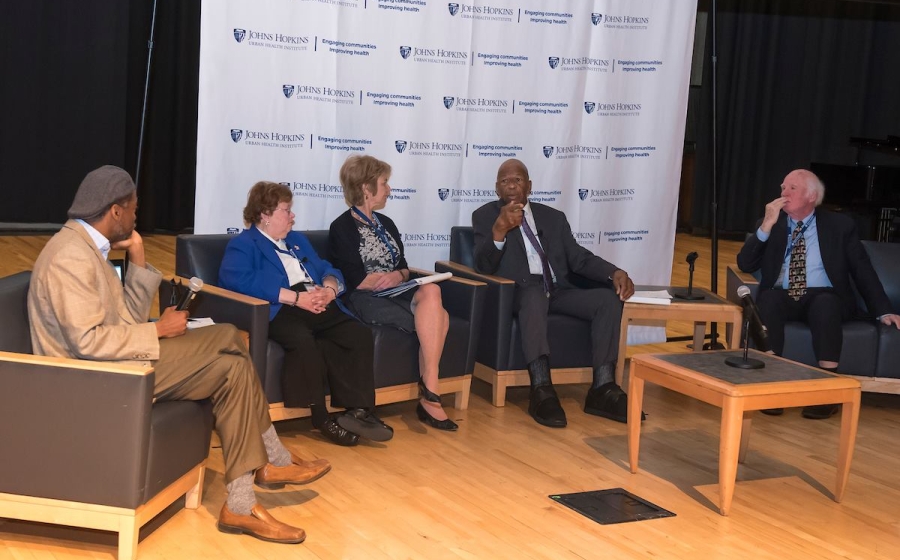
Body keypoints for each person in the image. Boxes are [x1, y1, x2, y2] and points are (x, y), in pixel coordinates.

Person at [28, 165, 331, 544]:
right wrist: (158, 329)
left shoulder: (89, 248)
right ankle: (271, 457)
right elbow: (87, 344)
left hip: (117, 365)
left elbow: (127, 319)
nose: (138, 216)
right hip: (98, 381)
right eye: (134, 209)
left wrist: (137, 251)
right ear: (115, 211)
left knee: (231, 366)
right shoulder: (70, 257)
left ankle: (241, 501)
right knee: (228, 339)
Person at [218, 181, 393, 446]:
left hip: (315, 301)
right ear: (265, 214)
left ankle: (360, 412)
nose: (292, 216)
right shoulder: (244, 244)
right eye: (286, 211)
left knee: (356, 333)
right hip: (280, 309)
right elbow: (239, 280)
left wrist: (330, 290)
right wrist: (296, 298)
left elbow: (326, 267)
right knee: (302, 340)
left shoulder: (296, 240)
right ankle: (321, 418)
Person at [472, 158, 638, 427]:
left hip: (558, 290)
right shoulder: (485, 216)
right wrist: (499, 230)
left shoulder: (553, 217)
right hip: (518, 294)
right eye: (505, 181)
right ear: (497, 189)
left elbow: (579, 258)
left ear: (530, 185)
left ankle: (603, 387)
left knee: (607, 299)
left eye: (518, 179)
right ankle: (541, 389)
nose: (512, 185)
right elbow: (482, 264)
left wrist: (614, 272)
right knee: (533, 295)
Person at [738, 169, 900, 418]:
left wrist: (883, 309)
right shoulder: (772, 224)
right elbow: (745, 264)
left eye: (792, 188)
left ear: (812, 196)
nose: (784, 193)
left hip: (824, 295)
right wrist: (765, 227)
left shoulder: (840, 225)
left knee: (825, 304)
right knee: (768, 299)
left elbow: (861, 269)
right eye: (783, 187)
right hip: (784, 294)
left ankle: (827, 391)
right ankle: (769, 385)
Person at [329, 155, 457, 431]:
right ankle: (431, 399)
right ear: (366, 188)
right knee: (439, 319)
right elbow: (353, 278)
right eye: (384, 183)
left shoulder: (385, 223)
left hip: (396, 290)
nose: (389, 189)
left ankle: (430, 387)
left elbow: (403, 268)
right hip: (365, 298)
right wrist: (380, 280)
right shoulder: (342, 227)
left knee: (432, 290)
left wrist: (396, 276)